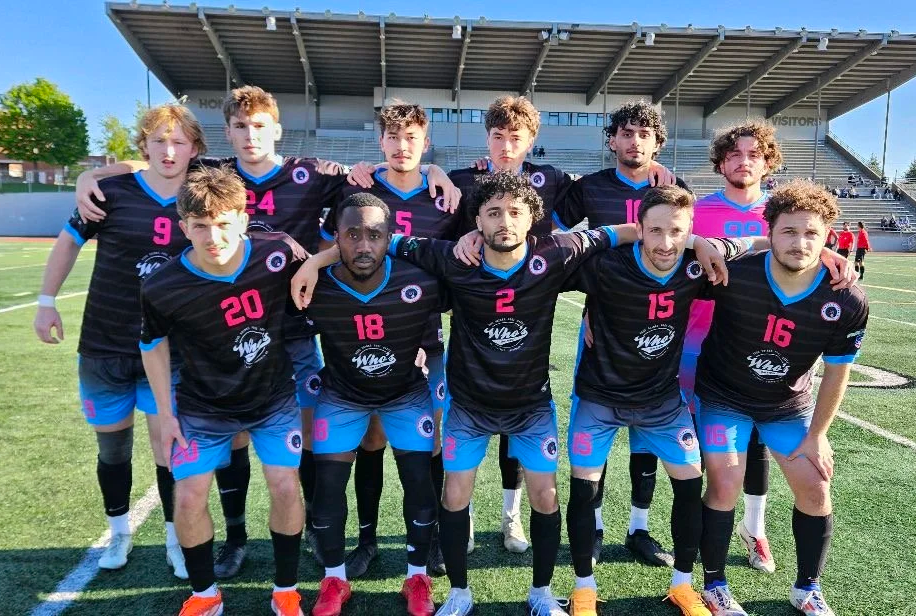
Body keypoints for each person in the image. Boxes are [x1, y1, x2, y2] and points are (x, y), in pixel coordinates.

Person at [75, 86, 460, 577]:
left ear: (276, 129)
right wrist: (91, 172)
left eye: (259, 126)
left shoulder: (330, 175)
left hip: (333, 328)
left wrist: (436, 171)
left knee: (348, 436)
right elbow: (156, 162)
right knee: (248, 436)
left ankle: (362, 535)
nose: (250, 135)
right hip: (239, 326)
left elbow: (422, 228)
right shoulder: (217, 171)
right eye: (240, 126)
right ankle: (243, 537)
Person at [388, 172, 690, 616]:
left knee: (545, 496)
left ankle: (542, 593)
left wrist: (696, 243)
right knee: (454, 495)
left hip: (531, 407)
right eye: (493, 213)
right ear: (476, 221)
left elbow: (622, 232)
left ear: (533, 218)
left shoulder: (554, 252)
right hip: (469, 407)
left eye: (515, 212)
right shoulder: (454, 257)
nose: (504, 222)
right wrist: (318, 261)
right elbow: (389, 241)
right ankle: (458, 593)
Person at [33, 103, 207, 580]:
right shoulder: (110, 192)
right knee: (112, 450)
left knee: (169, 448)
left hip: (169, 349)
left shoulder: (202, 195)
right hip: (104, 344)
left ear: (194, 148)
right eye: (158, 141)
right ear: (143, 145)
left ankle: (175, 538)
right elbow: (69, 241)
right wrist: (46, 301)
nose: (168, 151)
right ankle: (119, 532)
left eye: (178, 142)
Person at [563, 185, 755, 616]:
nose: (666, 243)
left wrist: (826, 252)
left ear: (690, 232)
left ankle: (683, 585)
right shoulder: (607, 264)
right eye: (655, 231)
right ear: (640, 229)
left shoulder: (695, 264)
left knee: (690, 484)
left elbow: (756, 244)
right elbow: (548, 257)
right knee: (584, 488)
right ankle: (583, 588)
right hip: (600, 398)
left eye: (677, 232)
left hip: (661, 402)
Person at [696, 180, 868, 616]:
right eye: (789, 231)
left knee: (816, 486)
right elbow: (663, 271)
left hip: (786, 406)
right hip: (724, 396)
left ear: (827, 236)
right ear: (769, 231)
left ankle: (807, 588)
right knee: (725, 482)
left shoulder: (846, 298)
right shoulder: (736, 273)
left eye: (811, 233)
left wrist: (818, 435)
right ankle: (714, 584)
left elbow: (837, 371)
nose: (800, 243)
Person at [140, 165, 307, 616]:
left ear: (243, 219)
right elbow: (152, 345)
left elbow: (319, 269)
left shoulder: (276, 252)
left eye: (222, 223)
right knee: (189, 494)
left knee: (285, 484)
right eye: (200, 226)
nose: (213, 237)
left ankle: (286, 590)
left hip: (272, 397)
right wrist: (165, 413)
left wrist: (316, 261)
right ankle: (204, 595)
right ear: (184, 228)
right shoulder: (162, 285)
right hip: (203, 405)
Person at [317, 101, 462, 578]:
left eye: (412, 138)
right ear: (380, 141)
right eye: (393, 137)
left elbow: (458, 257)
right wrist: (310, 263)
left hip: (425, 335)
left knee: (431, 439)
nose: (402, 147)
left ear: (426, 143)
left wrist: (440, 173)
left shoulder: (444, 196)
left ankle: (432, 538)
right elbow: (331, 247)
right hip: (364, 333)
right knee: (371, 437)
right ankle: (367, 538)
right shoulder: (358, 188)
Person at [294, 193, 449, 616]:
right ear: (336, 238)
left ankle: (416, 575)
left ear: (389, 238)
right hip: (342, 396)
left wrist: (439, 403)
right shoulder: (316, 285)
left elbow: (438, 348)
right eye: (352, 234)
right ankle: (334, 580)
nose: (364, 245)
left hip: (405, 394)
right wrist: (311, 262)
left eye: (375, 235)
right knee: (327, 488)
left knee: (419, 482)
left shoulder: (419, 280)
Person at [552, 99, 690, 569]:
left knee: (648, 435)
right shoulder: (589, 187)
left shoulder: (674, 187)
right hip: (604, 326)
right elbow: (555, 237)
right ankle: (593, 526)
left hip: (655, 328)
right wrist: (593, 297)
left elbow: (686, 246)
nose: (634, 142)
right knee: (597, 428)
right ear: (612, 140)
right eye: (626, 133)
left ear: (657, 143)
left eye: (644, 134)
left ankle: (639, 527)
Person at [679, 120, 783, 575]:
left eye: (754, 154)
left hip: (762, 346)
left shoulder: (781, 213)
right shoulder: (698, 211)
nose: (744, 162)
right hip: (696, 343)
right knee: (699, 443)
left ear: (768, 162)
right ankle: (699, 527)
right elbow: (666, 241)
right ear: (720, 162)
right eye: (735, 154)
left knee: (758, 439)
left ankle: (754, 527)